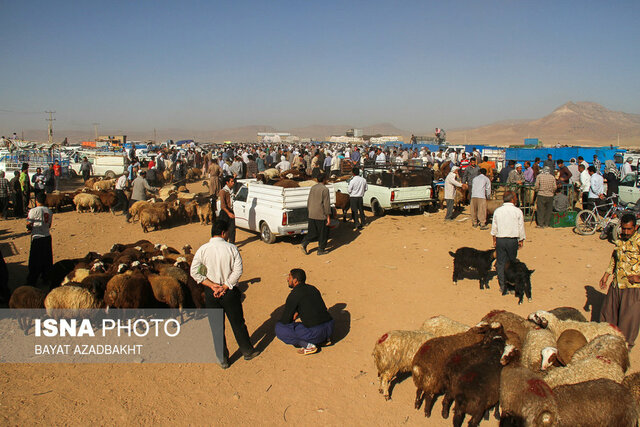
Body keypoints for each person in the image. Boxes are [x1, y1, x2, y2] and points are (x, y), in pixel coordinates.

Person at [190, 220, 260, 368]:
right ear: (223, 233)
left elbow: (194, 272)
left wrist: (211, 285)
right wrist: (225, 286)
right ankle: (247, 351)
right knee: (238, 323)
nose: (228, 235)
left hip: (211, 293)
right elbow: (238, 271)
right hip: (229, 293)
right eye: (228, 232)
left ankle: (222, 359)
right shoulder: (232, 248)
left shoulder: (203, 250)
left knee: (216, 326)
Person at [599, 213, 640, 347]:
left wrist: (638, 278)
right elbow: (614, 258)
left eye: (629, 229)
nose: (626, 232)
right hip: (616, 285)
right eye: (624, 228)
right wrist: (606, 275)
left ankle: (623, 351)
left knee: (628, 323)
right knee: (607, 317)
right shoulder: (620, 240)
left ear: (636, 227)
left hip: (632, 289)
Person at [275, 268, 334, 355]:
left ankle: (308, 345)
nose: (287, 279)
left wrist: (293, 316)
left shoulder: (294, 295)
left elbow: (286, 320)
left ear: (295, 281)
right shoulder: (313, 288)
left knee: (280, 328)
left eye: (289, 277)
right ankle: (324, 340)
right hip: (330, 328)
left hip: (316, 333)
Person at [490, 191, 525, 295]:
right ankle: (511, 285)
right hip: (512, 240)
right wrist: (521, 239)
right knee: (511, 262)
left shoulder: (498, 211)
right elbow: (521, 226)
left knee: (500, 262)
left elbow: (494, 227)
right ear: (512, 199)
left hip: (500, 239)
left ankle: (502, 285)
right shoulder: (517, 211)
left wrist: (494, 239)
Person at [26, 192, 53, 285]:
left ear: (36, 201)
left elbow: (29, 224)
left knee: (35, 259)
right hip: (47, 236)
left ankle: (32, 280)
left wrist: (30, 229)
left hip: (37, 237)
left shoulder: (33, 211)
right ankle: (46, 277)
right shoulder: (49, 211)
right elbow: (49, 225)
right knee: (47, 259)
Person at [301, 173, 331, 255]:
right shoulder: (325, 189)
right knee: (323, 233)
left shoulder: (313, 188)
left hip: (312, 213)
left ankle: (304, 242)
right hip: (321, 214)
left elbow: (309, 200)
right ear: (324, 179)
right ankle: (321, 250)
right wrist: (328, 217)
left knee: (312, 232)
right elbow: (326, 204)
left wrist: (309, 210)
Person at [218, 176, 236, 244]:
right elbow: (223, 205)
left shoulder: (231, 190)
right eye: (231, 181)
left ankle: (232, 245)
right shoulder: (223, 191)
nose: (233, 183)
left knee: (232, 230)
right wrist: (229, 213)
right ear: (227, 182)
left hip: (231, 211)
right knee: (224, 230)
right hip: (225, 213)